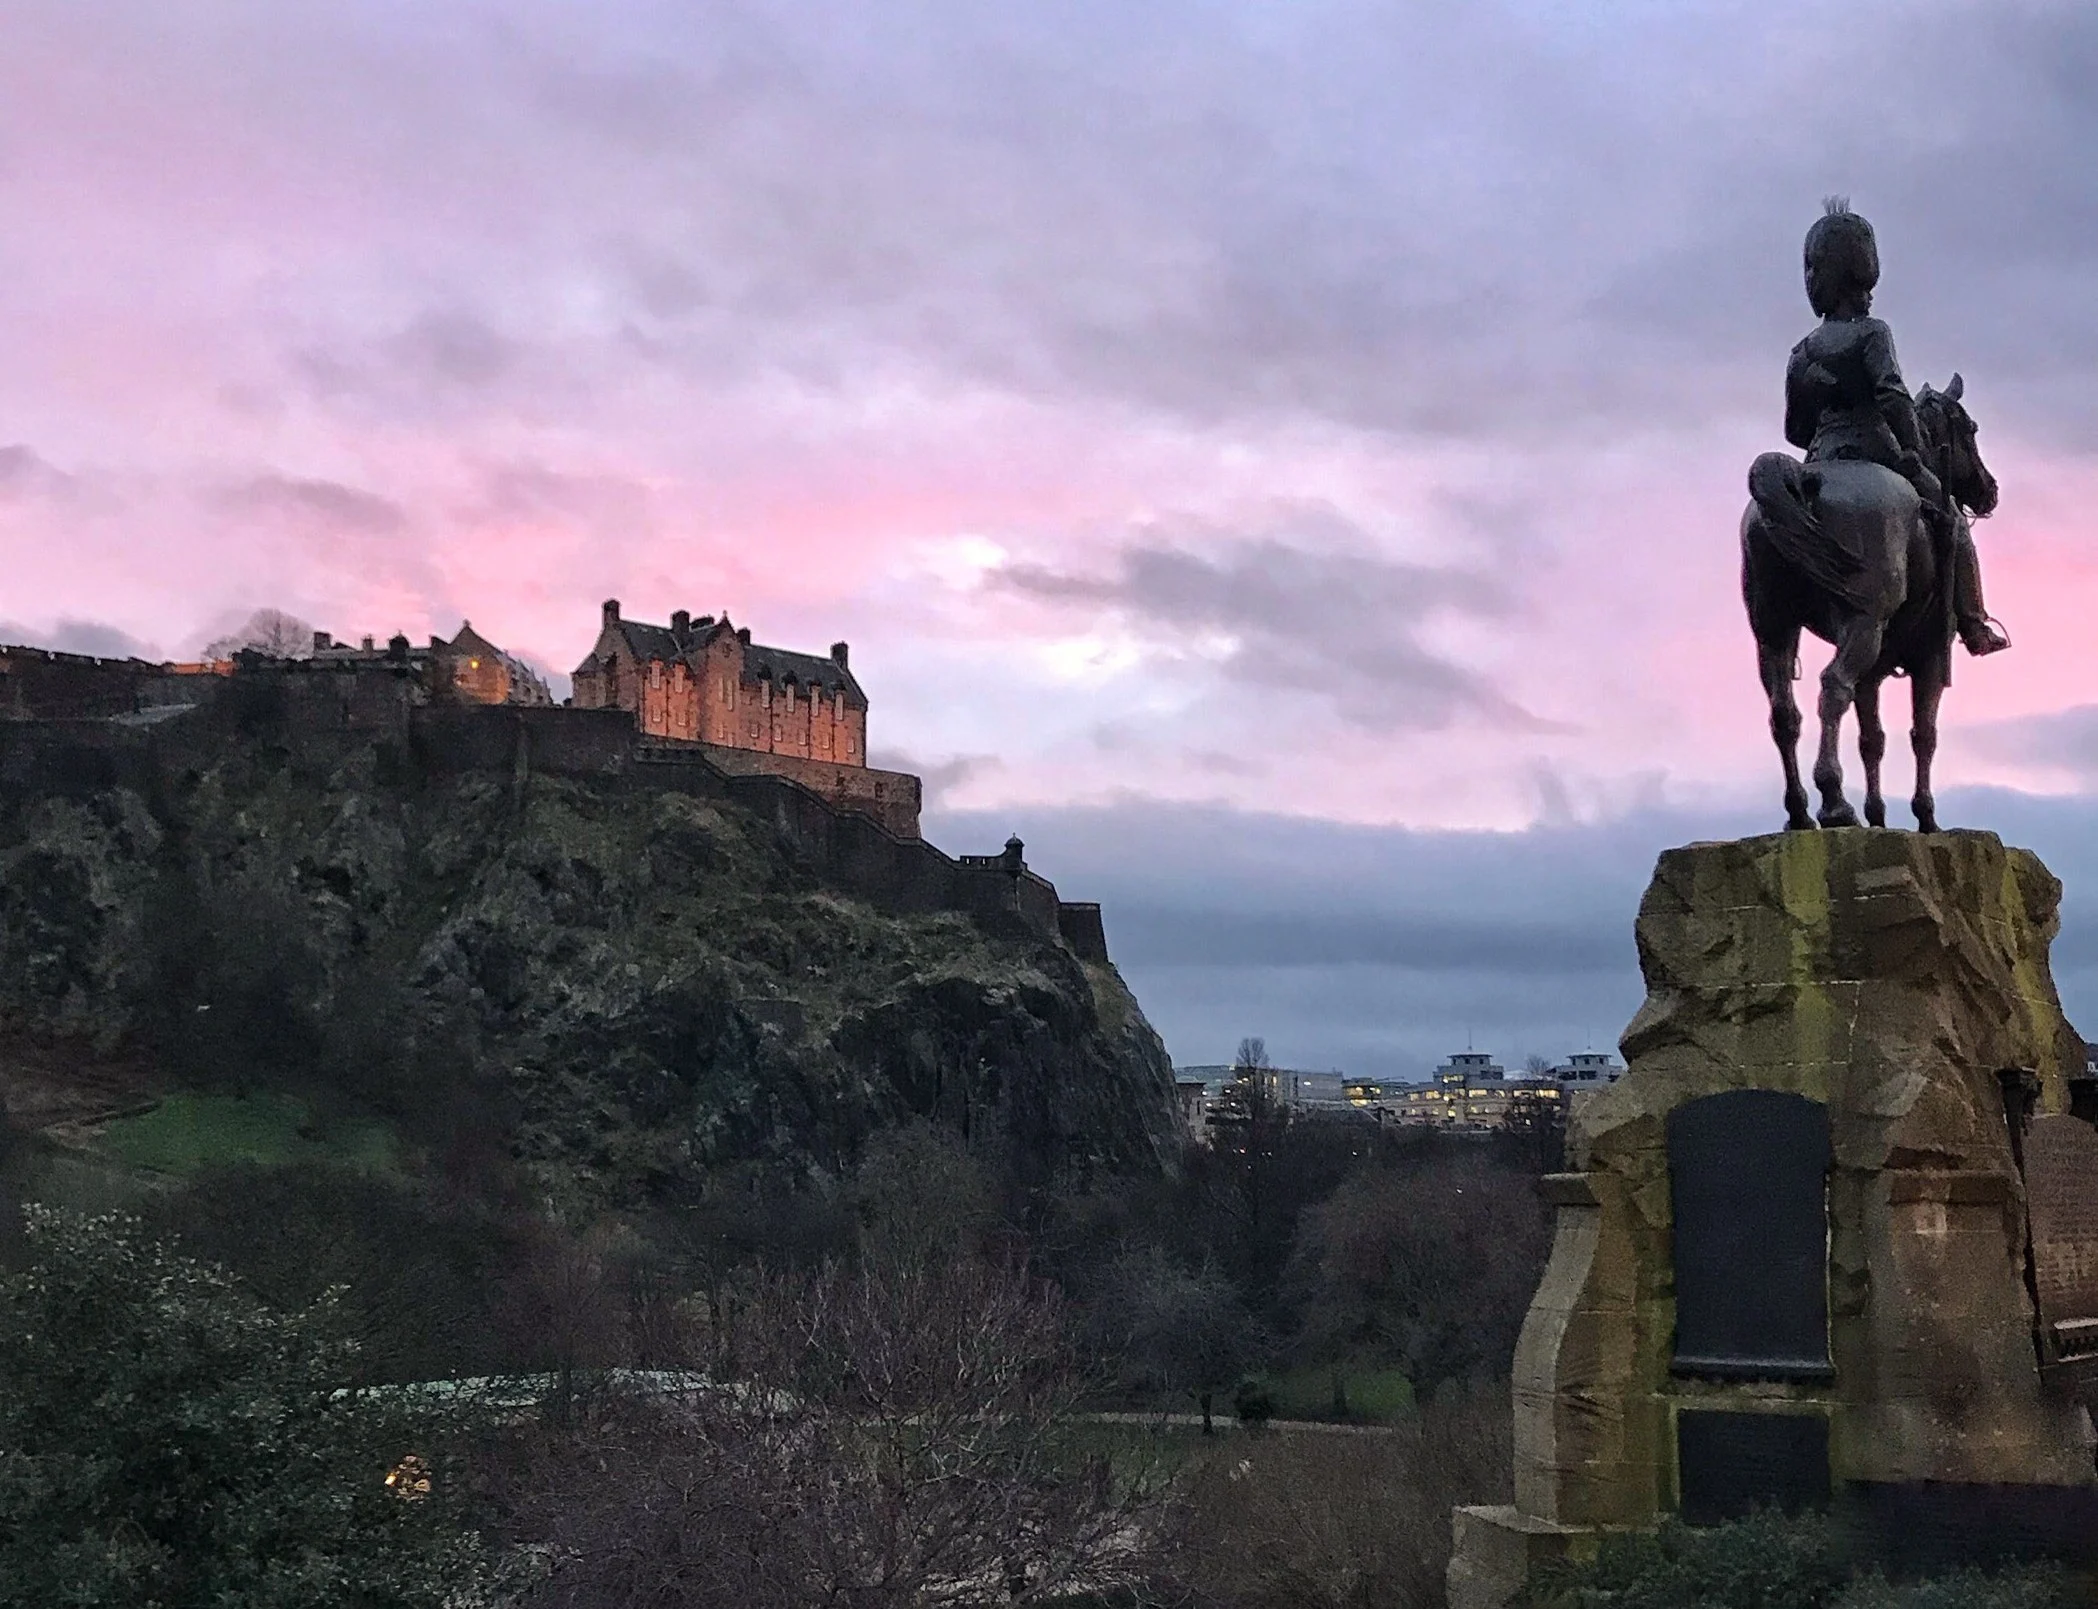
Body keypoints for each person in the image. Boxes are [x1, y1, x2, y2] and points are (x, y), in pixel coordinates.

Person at [1782, 200, 2008, 656]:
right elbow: (1891, 395)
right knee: (1951, 520)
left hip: (1820, 459)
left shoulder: (1801, 351)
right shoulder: (1873, 333)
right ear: (1864, 275)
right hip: (1876, 450)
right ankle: (1973, 623)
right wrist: (1912, 449)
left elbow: (1794, 430)